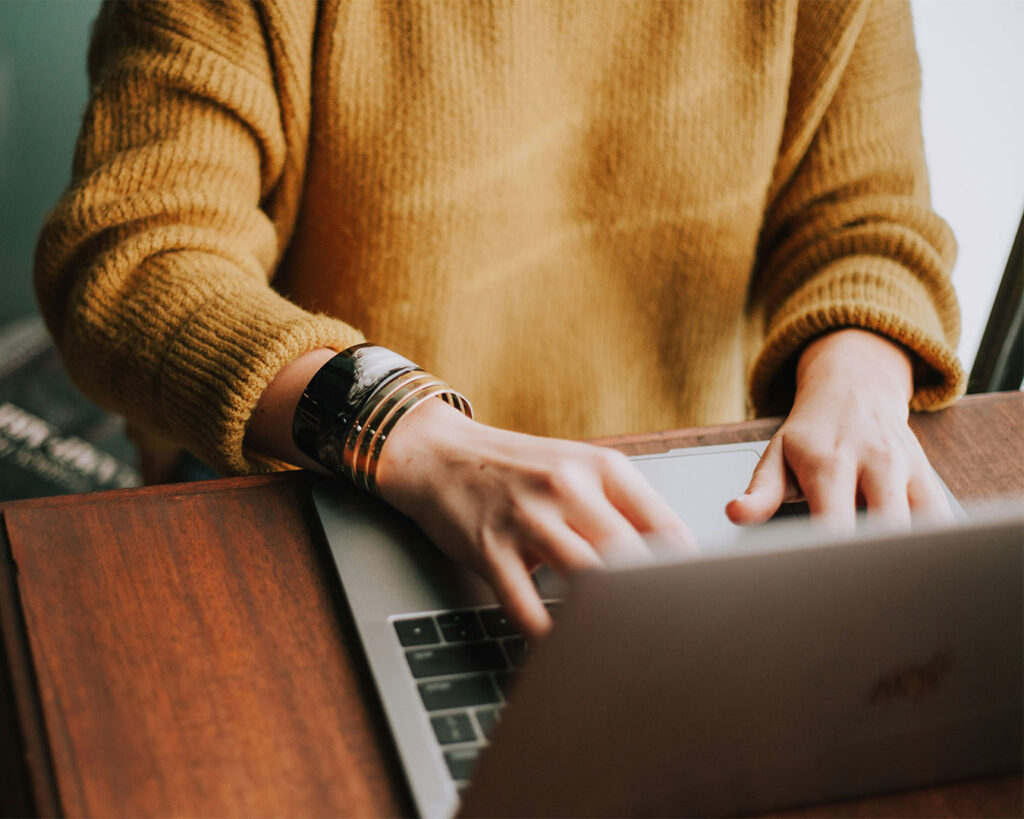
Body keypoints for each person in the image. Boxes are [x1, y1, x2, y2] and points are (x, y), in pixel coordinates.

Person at [35, 0, 964, 638]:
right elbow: (133, 255)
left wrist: (861, 374)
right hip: (328, 487)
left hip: (674, 518)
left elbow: (869, 221)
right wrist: (404, 430)